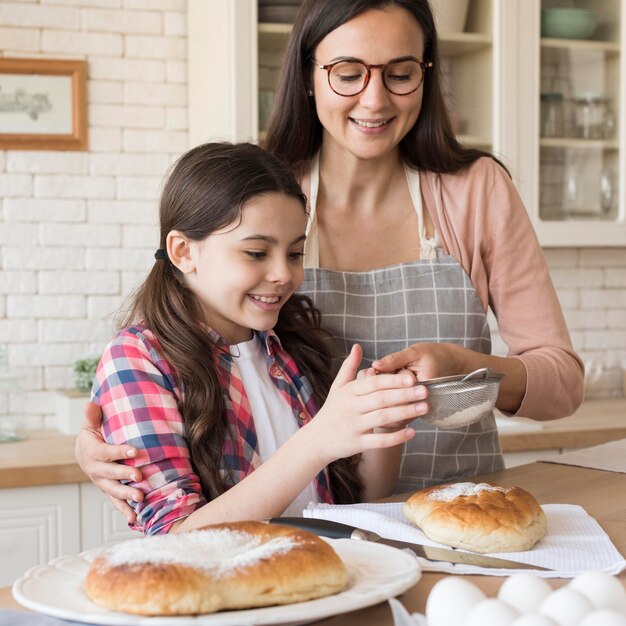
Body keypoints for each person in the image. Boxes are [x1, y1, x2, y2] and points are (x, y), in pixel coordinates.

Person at [76, 0, 584, 520]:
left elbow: (562, 386)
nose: (375, 99)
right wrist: (110, 439)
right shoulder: (268, 195)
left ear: (426, 76)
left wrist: (464, 367)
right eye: (347, 74)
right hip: (327, 535)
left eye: (401, 74)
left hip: (466, 516)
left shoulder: (475, 191)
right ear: (307, 75)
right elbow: (173, 335)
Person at [88, 141, 427, 535]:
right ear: (183, 251)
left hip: (322, 580)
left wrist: (380, 421)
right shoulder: (137, 359)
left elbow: (354, 505)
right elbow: (172, 539)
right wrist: (317, 440)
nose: (284, 274)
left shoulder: (286, 345)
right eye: (255, 253)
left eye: (295, 253)